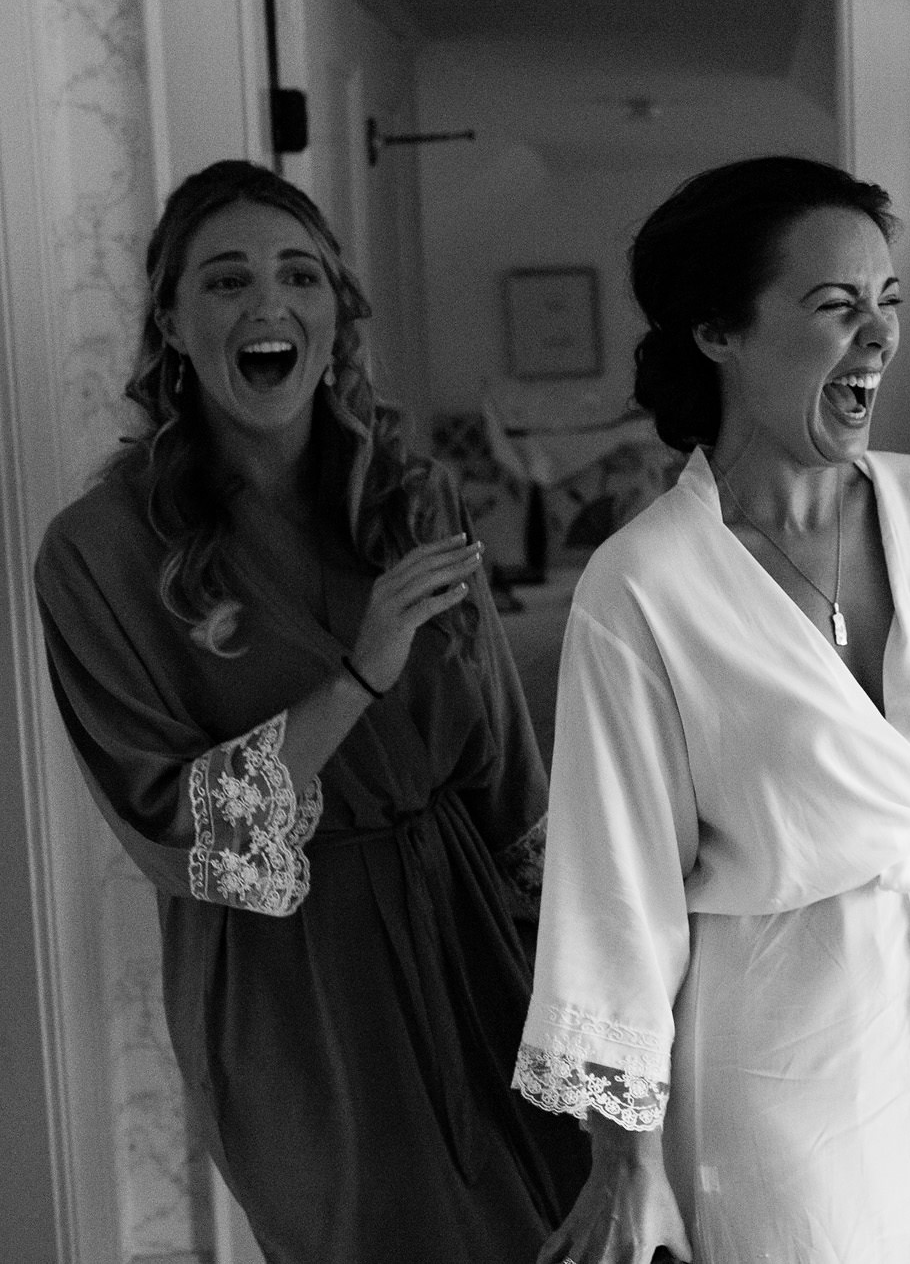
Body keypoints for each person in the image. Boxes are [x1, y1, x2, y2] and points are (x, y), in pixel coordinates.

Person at [514, 156, 910, 1264]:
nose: (878, 337)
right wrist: (628, 1161)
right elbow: (618, 896)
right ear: (720, 331)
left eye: (887, 302)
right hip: (793, 1074)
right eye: (835, 305)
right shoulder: (643, 585)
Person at [34, 161, 588, 1264]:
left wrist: (583, 977)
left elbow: (507, 778)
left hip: (474, 938)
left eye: (300, 274)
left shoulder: (411, 496)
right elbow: (188, 836)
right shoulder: (98, 553)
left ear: (338, 314)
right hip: (294, 995)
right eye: (226, 281)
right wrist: (362, 670)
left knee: (561, 1228)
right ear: (173, 328)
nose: (268, 303)